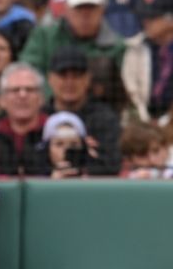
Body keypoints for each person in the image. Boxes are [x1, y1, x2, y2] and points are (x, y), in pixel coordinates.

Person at [20, 0, 125, 78]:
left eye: (91, 7)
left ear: (103, 9)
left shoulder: (117, 47)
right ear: (66, 9)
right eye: (79, 8)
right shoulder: (43, 37)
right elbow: (26, 73)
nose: (85, 15)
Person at [46, 45, 122, 175]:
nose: (70, 82)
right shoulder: (40, 117)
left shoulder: (105, 119)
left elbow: (113, 165)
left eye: (76, 76)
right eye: (63, 75)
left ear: (87, 79)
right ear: (50, 78)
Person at [0, 62, 47, 175]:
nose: (22, 95)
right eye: (15, 90)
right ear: (2, 99)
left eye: (30, 89)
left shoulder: (55, 132)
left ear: (41, 98)